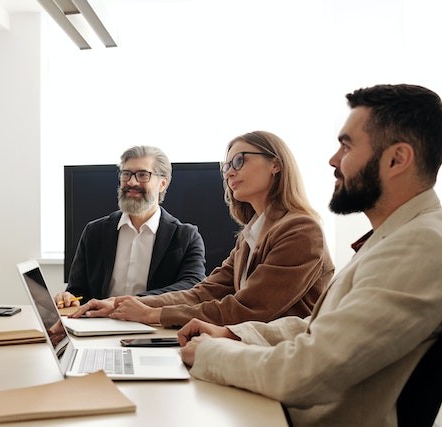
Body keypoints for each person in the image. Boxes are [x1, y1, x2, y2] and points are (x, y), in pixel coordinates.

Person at [177, 84, 442, 427]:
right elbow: (323, 327)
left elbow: (308, 371)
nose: (333, 160)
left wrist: (212, 354)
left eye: (346, 146)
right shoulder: (398, 235)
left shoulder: (420, 245)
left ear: (397, 159)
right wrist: (235, 336)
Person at [72, 131, 334, 328]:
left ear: (275, 164)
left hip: (280, 361)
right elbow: (204, 292)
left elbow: (249, 308)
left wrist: (154, 314)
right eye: (227, 167)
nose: (229, 173)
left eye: (239, 161)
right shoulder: (250, 235)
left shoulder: (301, 230)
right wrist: (119, 304)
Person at [55, 145, 207, 308]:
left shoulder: (186, 236)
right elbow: (78, 291)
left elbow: (192, 286)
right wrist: (69, 298)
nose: (131, 182)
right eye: (126, 174)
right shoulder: (94, 232)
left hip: (154, 327)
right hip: (99, 326)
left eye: (142, 175)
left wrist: (124, 303)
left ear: (163, 183)